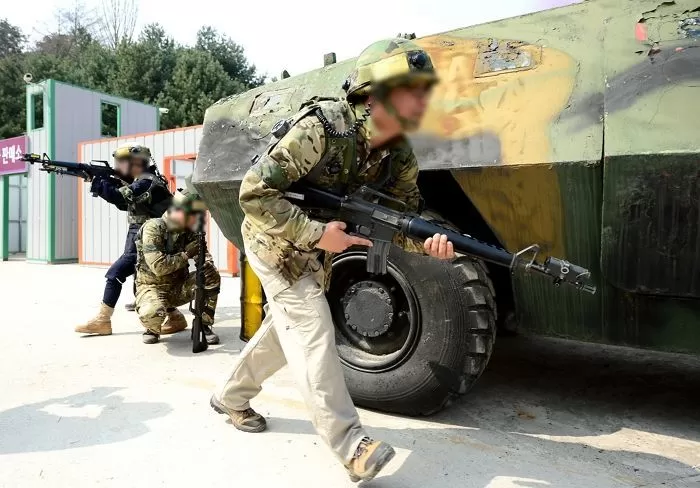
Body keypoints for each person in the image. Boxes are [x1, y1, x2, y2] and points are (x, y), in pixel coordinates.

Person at [211, 38, 455, 483]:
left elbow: (405, 220)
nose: (422, 101)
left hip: (320, 245)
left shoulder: (400, 156)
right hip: (275, 238)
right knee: (312, 327)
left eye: (425, 91)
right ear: (374, 93)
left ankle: (230, 396)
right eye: (411, 89)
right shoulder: (324, 127)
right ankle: (350, 445)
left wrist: (433, 243)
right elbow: (254, 193)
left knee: (286, 333)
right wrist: (316, 233)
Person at [75, 145, 172, 336]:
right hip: (144, 233)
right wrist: (100, 182)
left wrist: (98, 181)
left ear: (136, 163)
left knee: (115, 273)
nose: (119, 167)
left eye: (123, 163)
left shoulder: (146, 182)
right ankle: (175, 317)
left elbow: (119, 196)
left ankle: (103, 320)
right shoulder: (144, 180)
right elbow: (124, 203)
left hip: (148, 236)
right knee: (144, 274)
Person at [134, 187, 221, 345]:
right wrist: (186, 255)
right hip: (152, 287)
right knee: (152, 313)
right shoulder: (154, 228)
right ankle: (152, 328)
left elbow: (204, 255)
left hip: (179, 288)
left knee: (211, 276)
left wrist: (206, 264)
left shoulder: (190, 230)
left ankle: (203, 324)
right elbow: (158, 266)